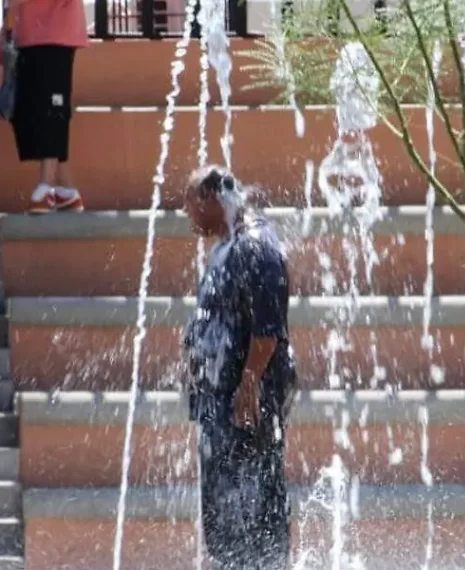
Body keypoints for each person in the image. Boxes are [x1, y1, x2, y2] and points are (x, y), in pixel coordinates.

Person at [181, 165, 297, 570]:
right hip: (223, 400)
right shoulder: (227, 245)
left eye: (189, 201)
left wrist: (249, 383)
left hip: (246, 403)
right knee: (225, 501)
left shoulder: (256, 245)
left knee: (253, 497)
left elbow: (269, 328)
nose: (186, 211)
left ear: (213, 197)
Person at [0, 0, 88, 214]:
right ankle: (66, 190)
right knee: (31, 111)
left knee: (52, 109)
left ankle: (47, 185)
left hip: (57, 32)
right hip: (27, 34)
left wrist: (7, 29)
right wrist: (6, 31)